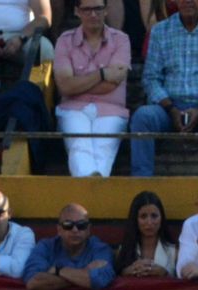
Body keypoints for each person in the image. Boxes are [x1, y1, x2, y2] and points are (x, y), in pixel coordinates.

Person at [129, 0, 198, 177]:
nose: (188, 1)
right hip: (167, 107)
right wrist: (171, 109)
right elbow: (151, 79)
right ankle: (141, 184)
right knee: (142, 117)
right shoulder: (160, 31)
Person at [52, 0, 129, 177]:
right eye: (87, 10)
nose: (93, 14)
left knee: (104, 148)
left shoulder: (121, 40)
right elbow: (64, 86)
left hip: (111, 109)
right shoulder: (64, 41)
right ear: (77, 12)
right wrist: (101, 74)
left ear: (106, 11)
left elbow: (114, 81)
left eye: (97, 9)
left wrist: (77, 84)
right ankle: (94, 185)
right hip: (73, 108)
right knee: (78, 144)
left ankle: (87, 187)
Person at [23, 203, 116, 290]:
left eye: (81, 225)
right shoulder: (45, 247)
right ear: (59, 229)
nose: (75, 230)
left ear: (88, 230)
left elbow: (100, 280)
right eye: (68, 225)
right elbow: (33, 283)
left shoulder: (101, 249)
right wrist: (84, 273)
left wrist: (58, 270)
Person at [114, 189, 178, 278]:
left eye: (154, 216)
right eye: (143, 216)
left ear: (161, 218)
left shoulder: (174, 252)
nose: (149, 222)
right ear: (135, 220)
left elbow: (182, 286)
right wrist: (127, 272)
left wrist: (164, 273)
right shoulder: (123, 251)